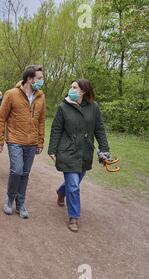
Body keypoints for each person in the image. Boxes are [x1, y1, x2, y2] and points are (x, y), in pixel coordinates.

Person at [48, 79, 110, 233]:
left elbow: (99, 129)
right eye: (71, 87)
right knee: (74, 185)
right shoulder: (63, 107)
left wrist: (104, 149)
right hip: (67, 150)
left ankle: (61, 192)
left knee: (75, 181)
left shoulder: (93, 108)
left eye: (74, 87)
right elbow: (56, 129)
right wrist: (52, 149)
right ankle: (74, 217)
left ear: (83, 91)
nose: (71, 89)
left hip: (85, 152)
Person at [0, 65, 46, 219]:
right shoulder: (11, 94)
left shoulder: (41, 96)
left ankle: (21, 202)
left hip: (31, 142)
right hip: (15, 139)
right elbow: (1, 117)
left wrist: (40, 141)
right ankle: (10, 199)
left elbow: (42, 121)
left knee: (25, 173)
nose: (42, 81)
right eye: (39, 78)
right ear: (30, 79)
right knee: (17, 170)